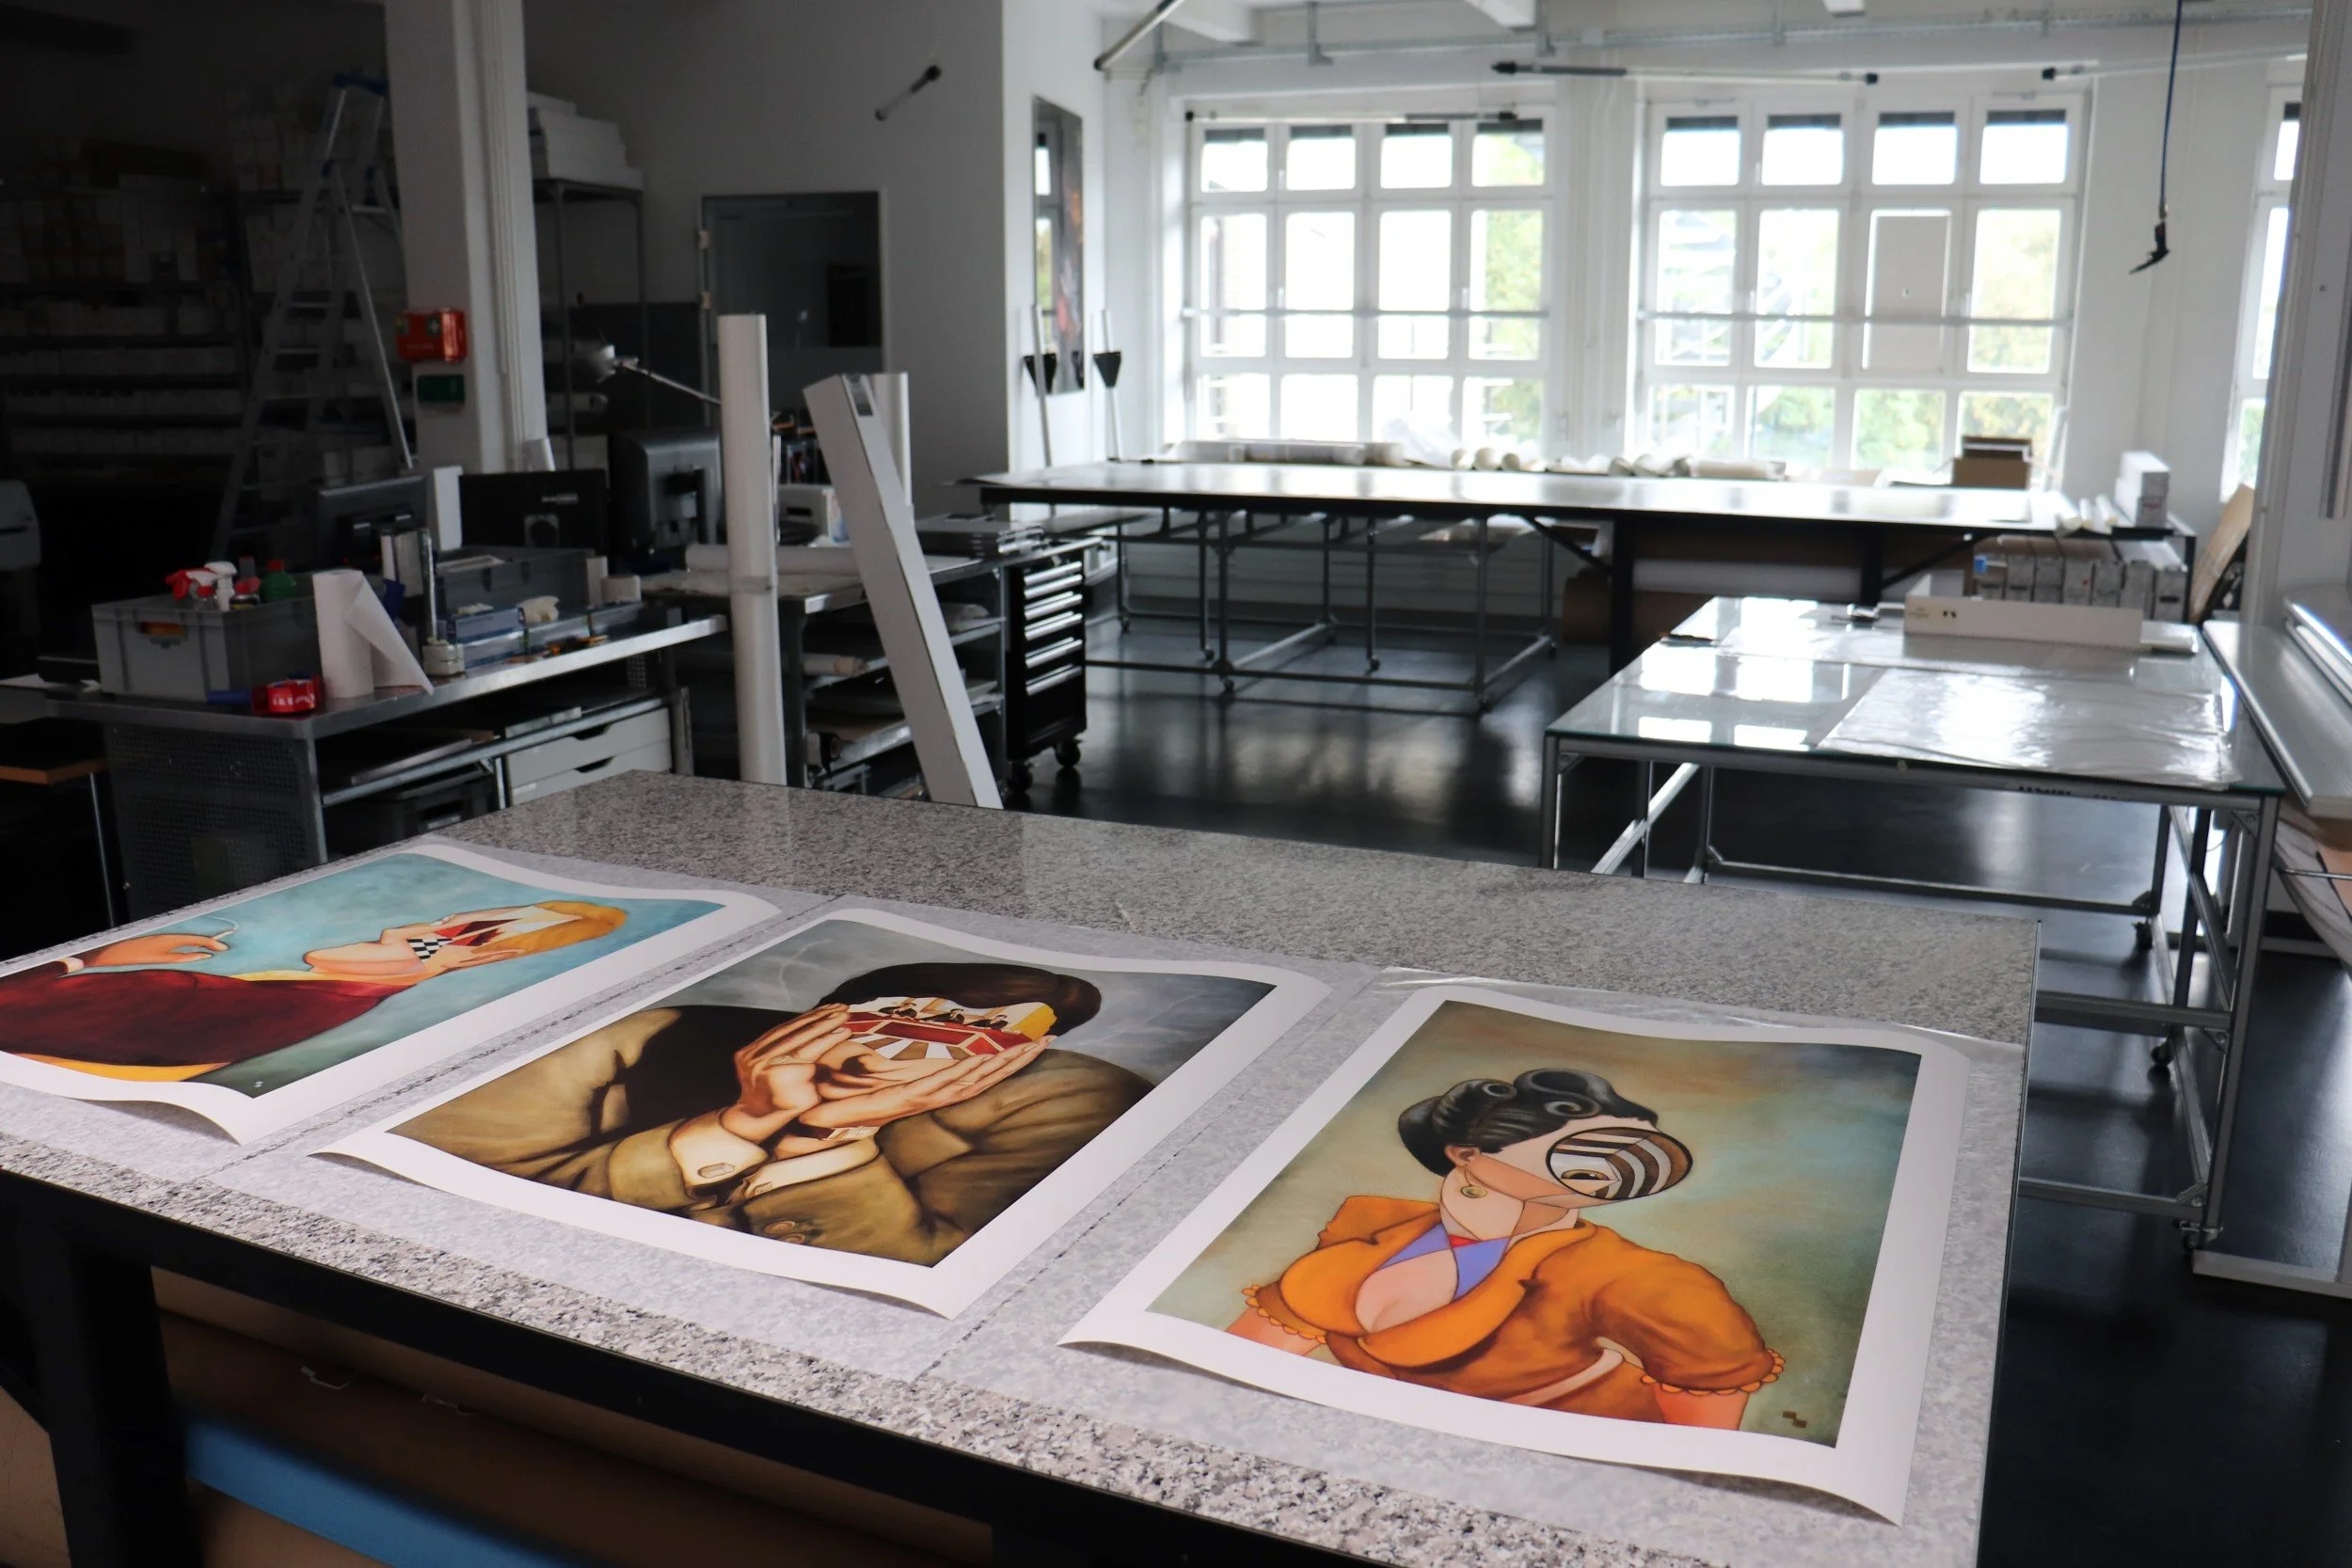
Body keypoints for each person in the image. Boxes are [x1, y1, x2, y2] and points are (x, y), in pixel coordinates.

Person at [398, 961, 1151, 1264]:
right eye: (889, 1018)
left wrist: (829, 1133)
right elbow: (433, 1186)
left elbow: (916, 1267)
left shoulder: (1073, 1098)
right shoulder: (639, 1039)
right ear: (823, 1011)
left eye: (961, 1037)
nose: (894, 1051)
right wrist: (744, 1121)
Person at [1228, 1068, 1780, 1429]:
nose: (1617, 1165)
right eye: (1588, 1146)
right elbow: (1246, 1360)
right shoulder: (1368, 1221)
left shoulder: (1639, 1276)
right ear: (1466, 1154)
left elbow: (1701, 1435)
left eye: (1637, 1147)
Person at [0, 903, 628, 1081]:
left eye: (438, 936)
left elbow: (16, 1013)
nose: (395, 930)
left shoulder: (269, 1005)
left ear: (477, 957)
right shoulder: (301, 1000)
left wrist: (89, 958)